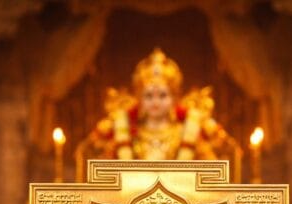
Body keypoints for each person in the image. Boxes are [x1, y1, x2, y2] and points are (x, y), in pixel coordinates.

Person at [78, 48, 237, 165]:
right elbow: (101, 167)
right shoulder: (128, 133)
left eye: (162, 95)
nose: (155, 102)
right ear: (139, 98)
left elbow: (209, 171)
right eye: (148, 96)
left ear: (174, 98)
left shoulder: (186, 132)